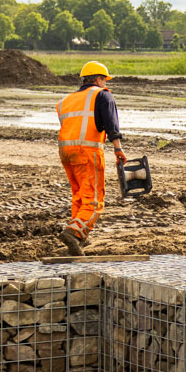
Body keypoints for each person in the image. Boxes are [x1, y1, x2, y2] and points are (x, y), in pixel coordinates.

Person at [57, 60, 126, 253]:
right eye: (105, 79)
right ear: (98, 79)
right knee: (94, 200)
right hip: (87, 151)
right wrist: (118, 149)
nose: (105, 83)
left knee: (79, 195)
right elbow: (111, 124)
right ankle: (74, 232)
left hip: (65, 151)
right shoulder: (102, 95)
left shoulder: (66, 100)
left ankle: (78, 236)